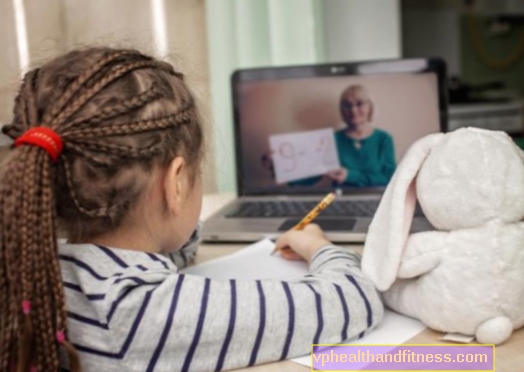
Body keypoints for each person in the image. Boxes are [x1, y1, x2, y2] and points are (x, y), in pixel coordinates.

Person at [0, 48, 383, 372]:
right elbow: (354, 300)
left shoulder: (35, 267)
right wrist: (317, 246)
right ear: (177, 182)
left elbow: (166, 251)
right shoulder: (139, 312)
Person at [326, 85, 396, 187]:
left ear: (370, 107)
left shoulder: (384, 139)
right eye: (347, 105)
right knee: (319, 204)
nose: (353, 110)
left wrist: (350, 176)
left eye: (359, 104)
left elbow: (390, 178)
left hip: (376, 198)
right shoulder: (332, 139)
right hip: (338, 197)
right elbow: (312, 178)